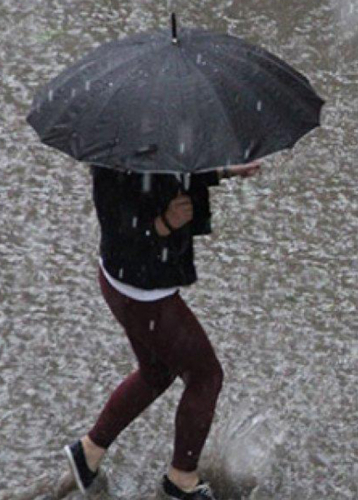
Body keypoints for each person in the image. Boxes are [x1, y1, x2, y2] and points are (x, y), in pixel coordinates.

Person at [61, 160, 262, 500]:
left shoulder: (149, 142)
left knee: (156, 372)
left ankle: (88, 453)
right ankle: (181, 480)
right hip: (143, 292)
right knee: (205, 376)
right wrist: (165, 224)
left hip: (126, 283)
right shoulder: (116, 161)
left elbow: (171, 170)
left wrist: (224, 170)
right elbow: (120, 228)